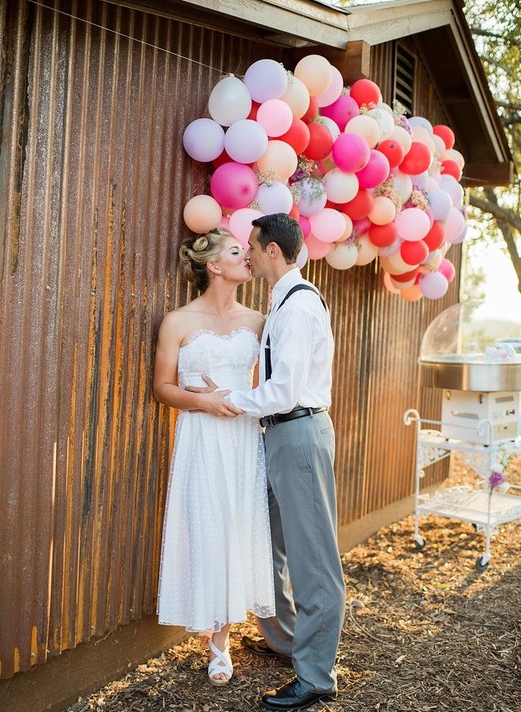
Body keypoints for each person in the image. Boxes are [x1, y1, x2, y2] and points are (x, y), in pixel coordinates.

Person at [187, 213, 346, 711]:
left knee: (314, 560)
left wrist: (230, 398)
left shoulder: (298, 307)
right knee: (272, 546)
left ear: (272, 250)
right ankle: (286, 641)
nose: (248, 254)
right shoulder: (279, 302)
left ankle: (316, 676)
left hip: (298, 432)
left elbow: (285, 390)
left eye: (252, 246)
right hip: (277, 435)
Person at [153, 228, 275, 686]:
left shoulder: (259, 321)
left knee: (236, 525)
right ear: (215, 266)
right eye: (237, 252)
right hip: (201, 436)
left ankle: (223, 637)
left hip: (243, 436)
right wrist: (203, 401)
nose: (248, 257)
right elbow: (161, 387)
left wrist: (241, 400)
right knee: (205, 524)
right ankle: (212, 635)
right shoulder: (178, 322)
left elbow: (268, 387)